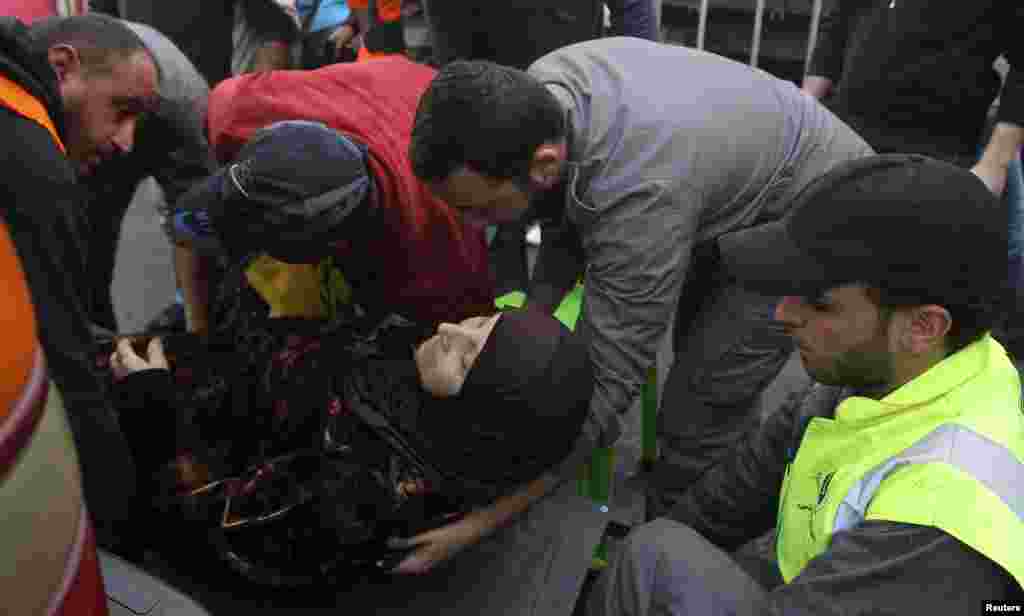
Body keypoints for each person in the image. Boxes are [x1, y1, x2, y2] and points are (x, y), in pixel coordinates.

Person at [409, 37, 874, 517]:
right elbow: (564, 214)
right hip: (731, 174)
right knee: (700, 350)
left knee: (702, 402)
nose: (469, 225)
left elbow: (612, 371)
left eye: (476, 208)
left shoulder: (639, 195)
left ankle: (679, 532)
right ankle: (711, 465)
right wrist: (526, 322)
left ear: (543, 163)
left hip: (812, 209)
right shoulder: (542, 92)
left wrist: (494, 512)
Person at [586, 154, 1023, 615]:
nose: (784, 313)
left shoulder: (941, 515)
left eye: (818, 301)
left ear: (923, 327)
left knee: (655, 557)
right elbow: (717, 508)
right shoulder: (879, 377)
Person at [108, 306, 593, 579]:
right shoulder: (422, 376)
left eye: (466, 362)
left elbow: (202, 531)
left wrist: (155, 408)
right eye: (480, 323)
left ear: (478, 422)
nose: (448, 329)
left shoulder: (356, 493)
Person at [172, 62, 495, 335]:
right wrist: (197, 333)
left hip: (458, 112)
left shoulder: (438, 267)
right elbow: (188, 228)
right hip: (396, 82)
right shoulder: (235, 110)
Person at [0, 13, 160, 550]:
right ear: (62, 67)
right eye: (122, 110)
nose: (126, 142)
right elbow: (62, 364)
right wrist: (120, 513)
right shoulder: (34, 162)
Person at [801, 0, 1024, 344]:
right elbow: (839, 21)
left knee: (922, 291)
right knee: (839, 281)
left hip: (939, 152)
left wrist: (996, 162)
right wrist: (807, 105)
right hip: (847, 135)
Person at [55, 17, 215, 332]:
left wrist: (199, 334)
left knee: (92, 249)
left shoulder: (176, 106)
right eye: (122, 110)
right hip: (80, 116)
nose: (125, 142)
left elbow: (191, 221)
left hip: (163, 118)